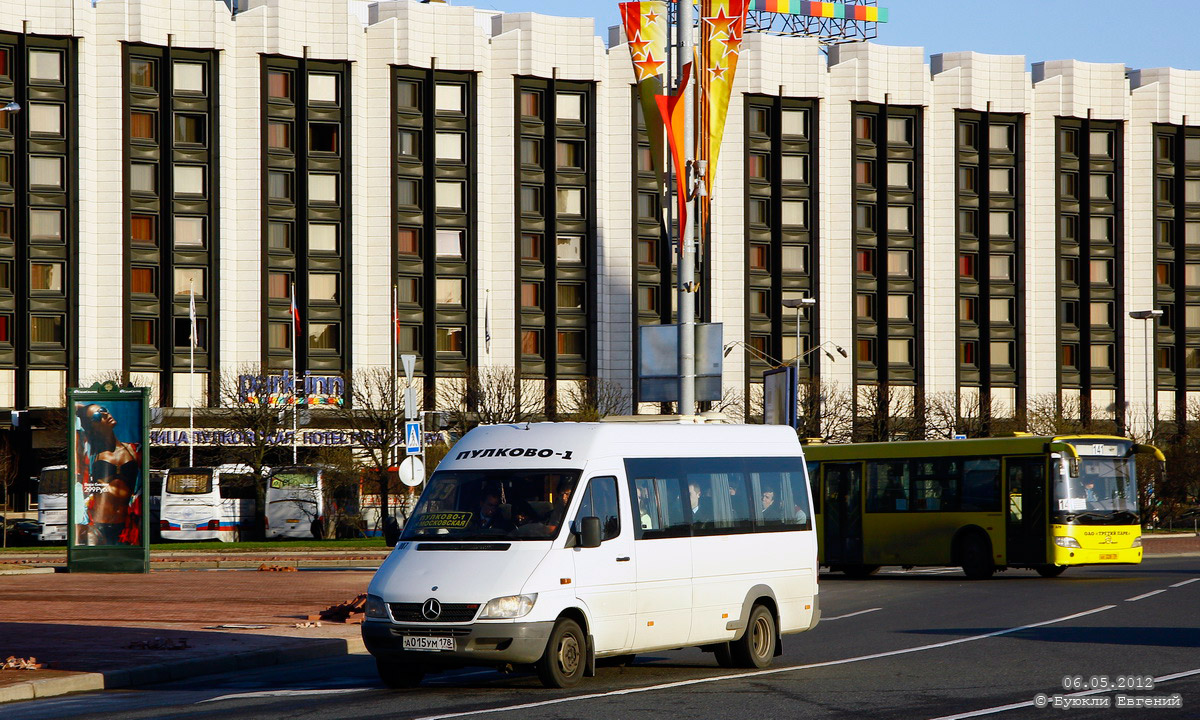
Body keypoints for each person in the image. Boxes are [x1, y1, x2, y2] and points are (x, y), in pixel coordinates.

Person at [76, 403, 141, 546]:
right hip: (99, 524)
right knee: (95, 562)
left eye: (104, 410)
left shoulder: (133, 449)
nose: (105, 415)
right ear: (92, 426)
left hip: (126, 524)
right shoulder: (92, 453)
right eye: (98, 416)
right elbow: (73, 407)